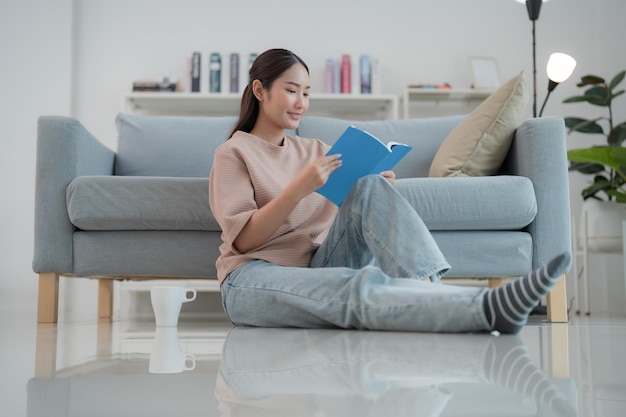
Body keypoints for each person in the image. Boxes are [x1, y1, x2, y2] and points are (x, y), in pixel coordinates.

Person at [209, 48, 571, 334]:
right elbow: (244, 241)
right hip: (254, 275)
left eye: (306, 93)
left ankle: (429, 288)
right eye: (291, 91)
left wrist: (374, 189)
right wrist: (299, 188)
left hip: (319, 264)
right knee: (350, 287)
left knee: (370, 186)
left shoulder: (316, 150)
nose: (301, 102)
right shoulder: (234, 152)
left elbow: (344, 213)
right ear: (260, 90)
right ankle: (484, 308)